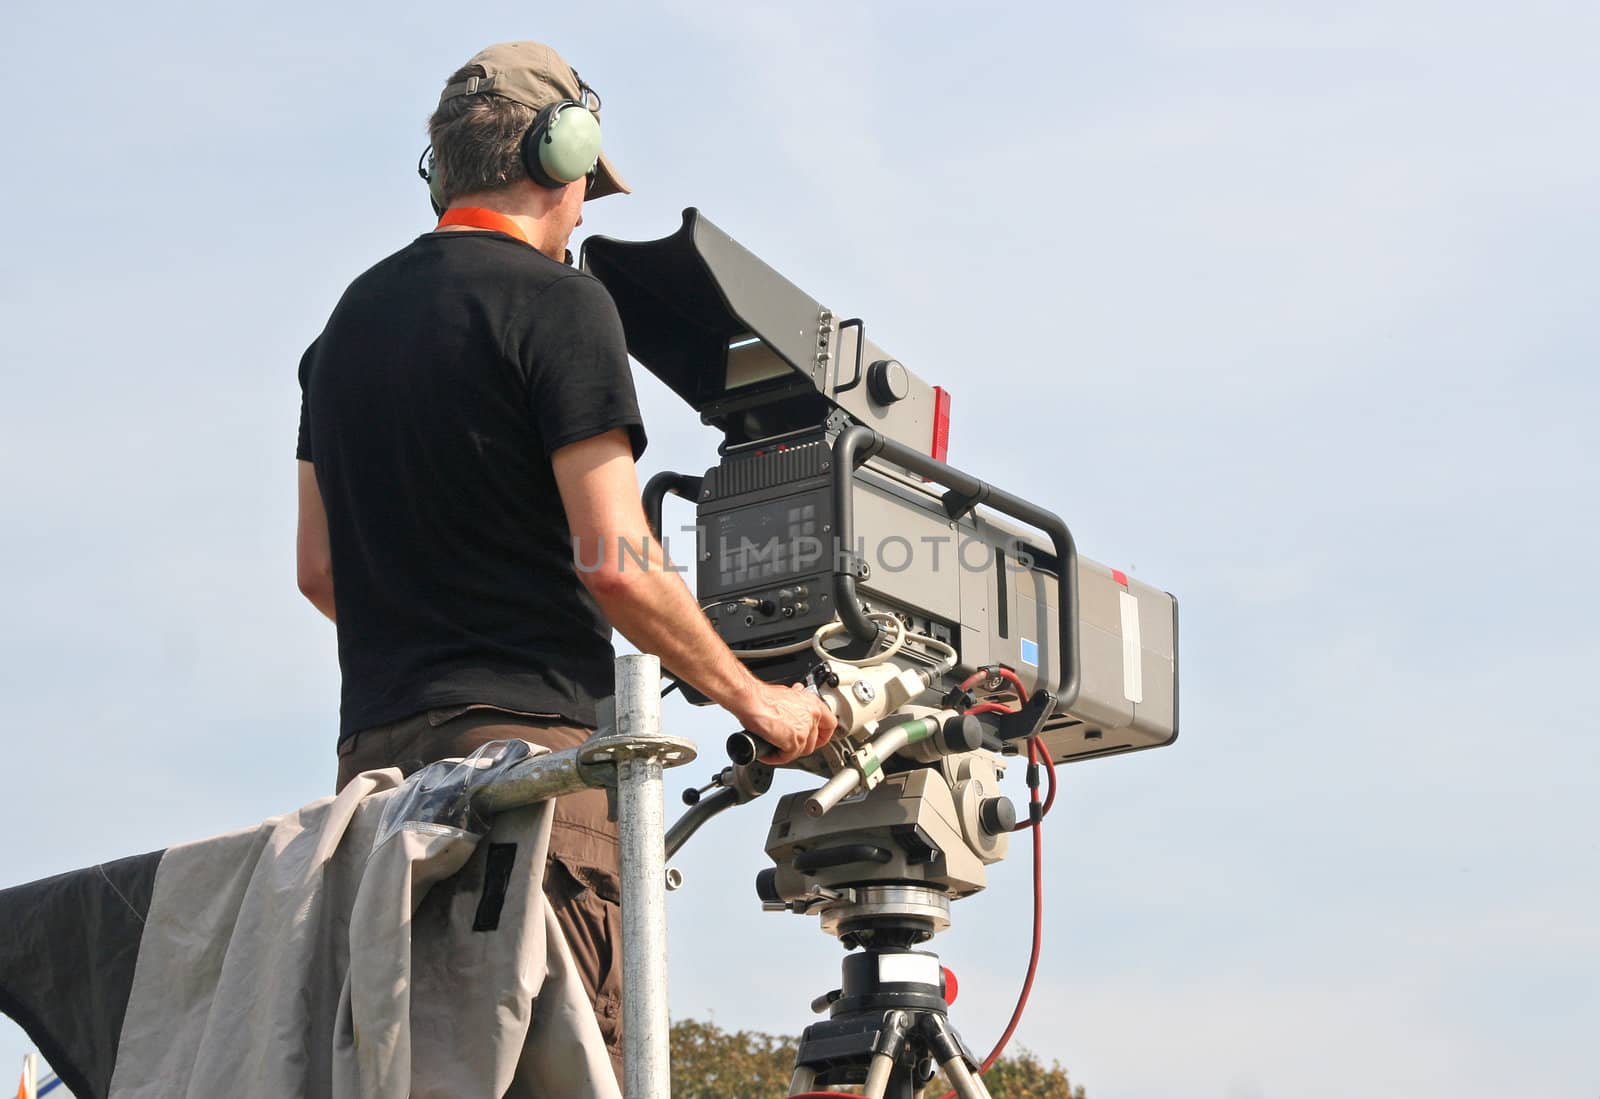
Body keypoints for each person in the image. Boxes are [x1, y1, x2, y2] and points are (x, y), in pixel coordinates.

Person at [293, 40, 836, 1077]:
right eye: (585, 181)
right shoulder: (562, 303)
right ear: (558, 152)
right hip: (530, 778)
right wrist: (755, 701)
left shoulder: (340, 333)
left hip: (373, 787)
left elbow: (322, 575)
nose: (584, 208)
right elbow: (616, 559)